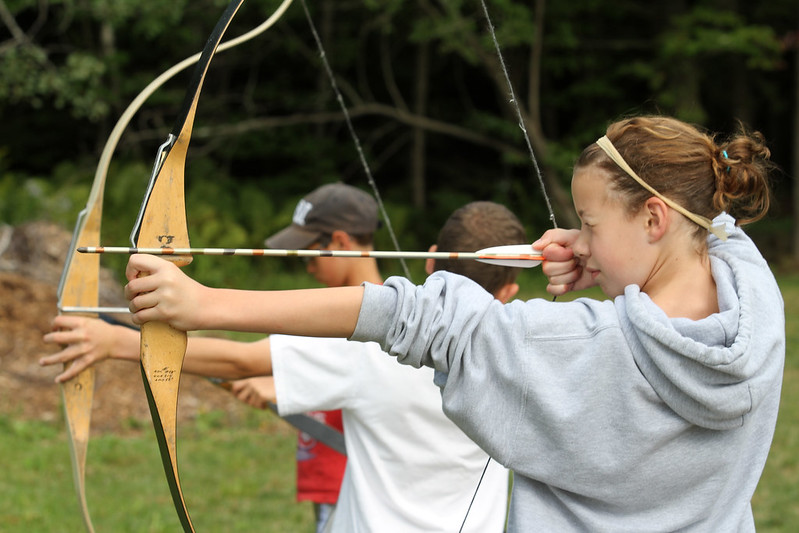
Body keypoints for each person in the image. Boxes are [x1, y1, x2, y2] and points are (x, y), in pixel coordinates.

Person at [115, 115, 784, 532]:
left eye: (586, 221)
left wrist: (201, 304)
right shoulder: (754, 305)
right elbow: (713, 223)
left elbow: (403, 312)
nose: (576, 237)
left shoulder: (578, 347)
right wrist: (601, 252)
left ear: (652, 217)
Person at [42, 197, 529, 531]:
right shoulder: (530, 358)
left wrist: (112, 341)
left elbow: (239, 359)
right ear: (511, 290)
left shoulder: (377, 347)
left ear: (429, 261)